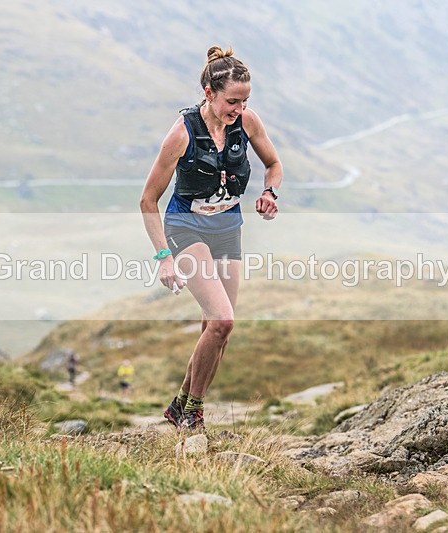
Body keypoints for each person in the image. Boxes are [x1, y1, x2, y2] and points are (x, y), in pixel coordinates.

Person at [140, 46, 282, 431]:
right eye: (232, 101)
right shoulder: (181, 134)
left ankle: (180, 406)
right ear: (209, 92)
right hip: (186, 228)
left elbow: (273, 165)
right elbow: (147, 200)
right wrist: (163, 258)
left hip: (228, 228)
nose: (239, 109)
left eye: (245, 101)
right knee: (223, 321)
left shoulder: (248, 122)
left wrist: (270, 193)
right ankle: (193, 412)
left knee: (215, 329)